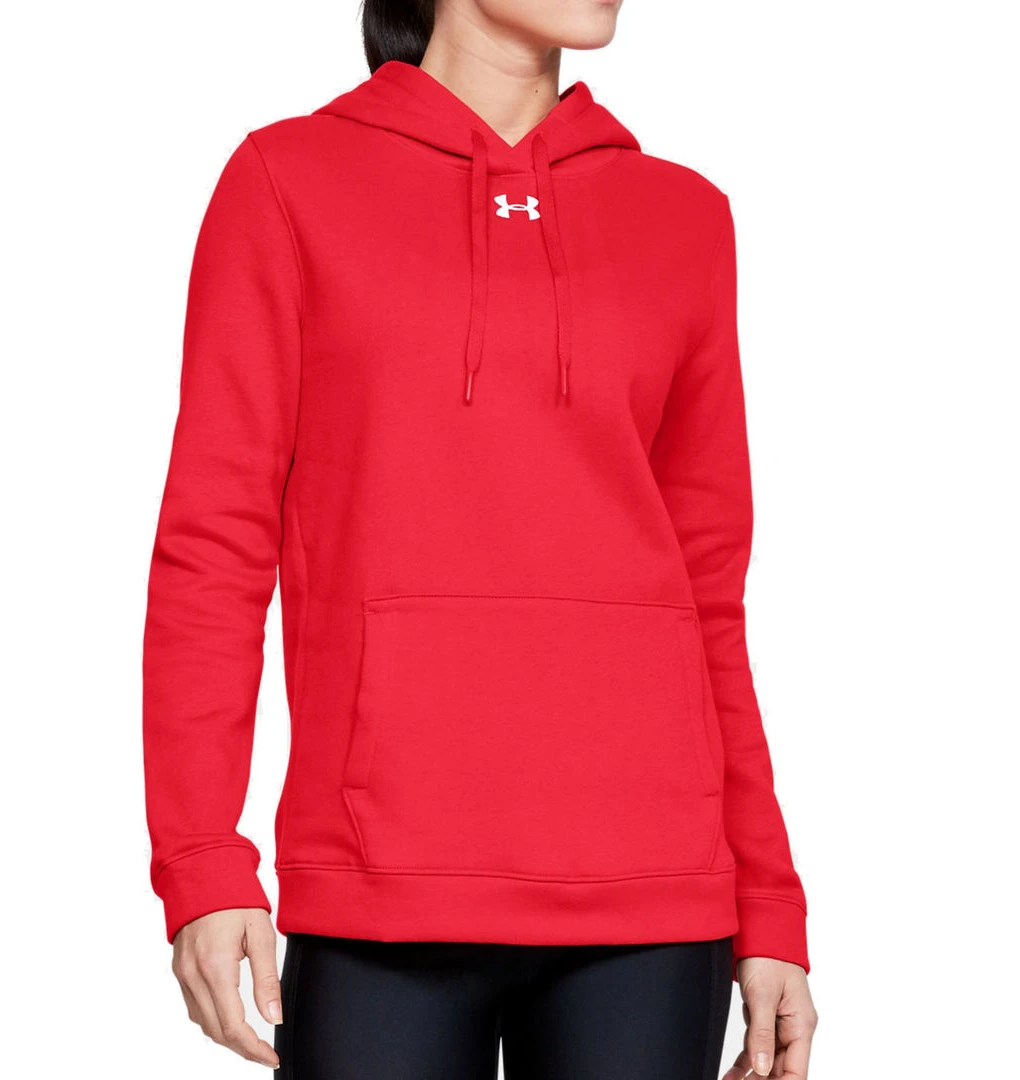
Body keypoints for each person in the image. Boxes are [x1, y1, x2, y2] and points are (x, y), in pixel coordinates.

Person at [141, 1, 819, 1076]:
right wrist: (201, 861)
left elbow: (708, 596)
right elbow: (212, 550)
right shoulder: (286, 182)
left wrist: (770, 901)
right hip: (377, 883)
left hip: (653, 898)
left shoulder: (686, 217)